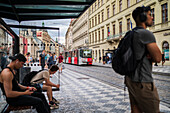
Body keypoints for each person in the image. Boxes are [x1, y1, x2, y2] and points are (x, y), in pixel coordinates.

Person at [125, 6, 162, 113]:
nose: (152, 17)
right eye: (150, 14)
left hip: (130, 79)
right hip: (143, 81)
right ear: (142, 17)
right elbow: (158, 58)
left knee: (136, 110)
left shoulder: (131, 34)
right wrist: (151, 54)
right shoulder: (146, 34)